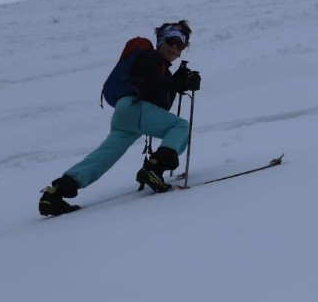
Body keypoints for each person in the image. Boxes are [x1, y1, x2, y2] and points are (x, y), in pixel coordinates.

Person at [39, 20, 203, 215]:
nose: (175, 48)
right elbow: (152, 83)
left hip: (125, 114)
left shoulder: (158, 66)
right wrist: (177, 84)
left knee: (103, 157)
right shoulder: (151, 57)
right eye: (172, 41)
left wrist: (176, 83)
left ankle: (56, 193)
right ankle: (155, 168)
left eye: (181, 44)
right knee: (180, 127)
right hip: (134, 108)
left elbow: (159, 101)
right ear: (161, 41)